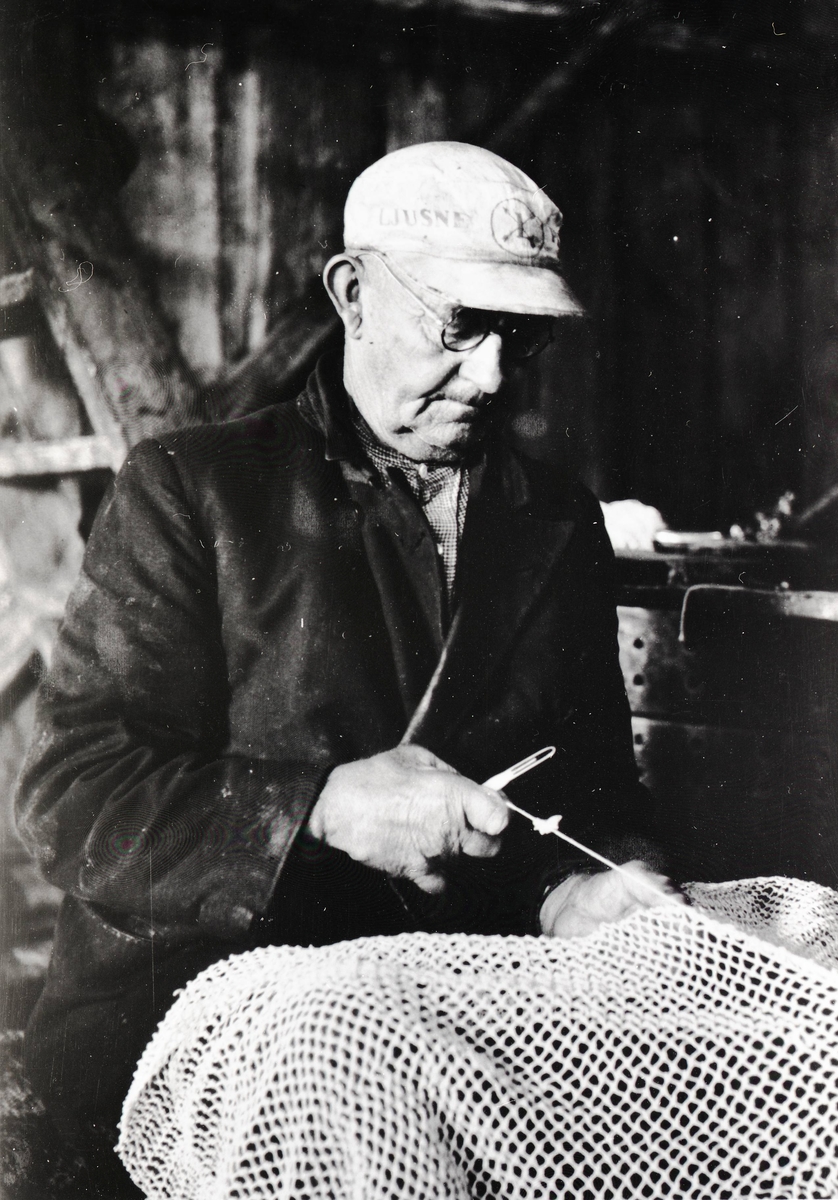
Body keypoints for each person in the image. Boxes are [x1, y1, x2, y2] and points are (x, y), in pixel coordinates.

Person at [15, 141, 677, 1187]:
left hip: (446, 1001)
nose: (492, 376)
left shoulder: (554, 518)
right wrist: (317, 809)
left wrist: (585, 889)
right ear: (353, 294)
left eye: (520, 337)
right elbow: (72, 796)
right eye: (459, 326)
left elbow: (591, 788)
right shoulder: (193, 489)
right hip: (197, 1009)